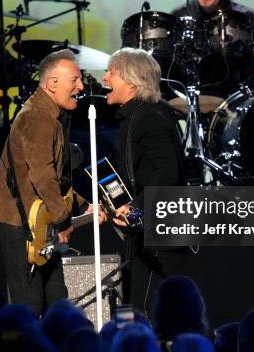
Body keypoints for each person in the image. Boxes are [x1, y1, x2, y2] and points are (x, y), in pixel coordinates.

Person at [0, 49, 105, 316]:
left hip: (40, 220)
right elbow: (42, 177)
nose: (81, 86)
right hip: (19, 223)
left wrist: (84, 206)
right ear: (52, 84)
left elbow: (56, 180)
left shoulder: (51, 114)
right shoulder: (38, 118)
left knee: (56, 299)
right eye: (74, 79)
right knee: (30, 304)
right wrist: (63, 221)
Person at [102, 47, 190, 318]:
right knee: (138, 308)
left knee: (145, 312)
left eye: (111, 73)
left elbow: (168, 172)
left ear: (130, 81)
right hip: (146, 228)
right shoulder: (138, 114)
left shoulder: (149, 116)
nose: (105, 79)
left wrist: (136, 208)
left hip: (159, 233)